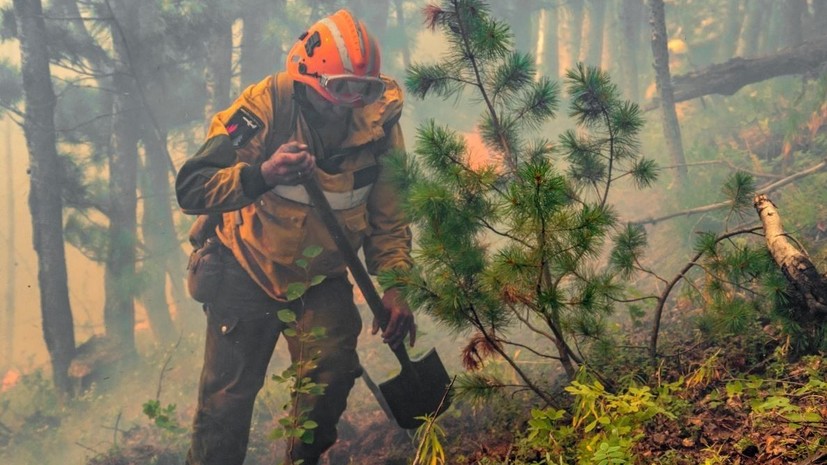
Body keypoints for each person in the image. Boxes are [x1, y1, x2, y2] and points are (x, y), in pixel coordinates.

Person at [175, 9, 416, 465]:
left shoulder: (381, 125)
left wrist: (397, 285)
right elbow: (192, 186)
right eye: (339, 88)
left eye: (362, 88)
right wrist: (261, 174)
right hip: (244, 265)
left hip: (319, 276)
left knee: (332, 374)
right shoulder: (263, 108)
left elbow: (390, 217)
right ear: (308, 79)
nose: (350, 102)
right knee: (224, 407)